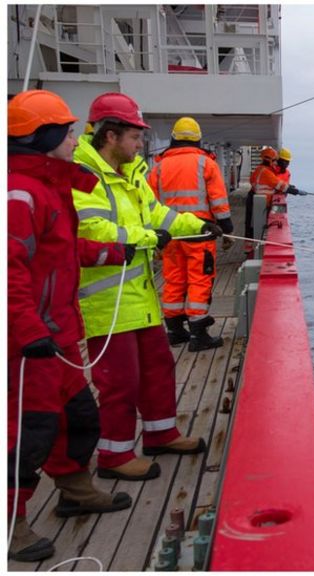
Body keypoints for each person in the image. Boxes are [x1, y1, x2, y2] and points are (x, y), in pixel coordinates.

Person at [7, 90, 133, 562]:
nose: (74, 137)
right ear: (43, 137)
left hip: (56, 333)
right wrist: (26, 330)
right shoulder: (18, 192)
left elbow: (58, 252)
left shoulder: (48, 185)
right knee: (27, 432)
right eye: (66, 130)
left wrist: (113, 252)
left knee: (78, 416)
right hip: (30, 341)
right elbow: (10, 269)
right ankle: (11, 525)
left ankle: (75, 489)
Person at [72, 92, 220, 481]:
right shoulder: (83, 175)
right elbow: (92, 230)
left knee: (156, 368)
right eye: (135, 137)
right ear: (111, 136)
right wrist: (149, 237)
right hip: (106, 300)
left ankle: (160, 433)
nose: (141, 145)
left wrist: (197, 226)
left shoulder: (132, 172)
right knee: (119, 382)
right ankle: (114, 457)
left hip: (139, 297)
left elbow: (159, 213)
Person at [148, 117, 233, 351]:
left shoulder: (158, 166)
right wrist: (226, 226)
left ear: (174, 138)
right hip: (200, 232)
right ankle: (199, 334)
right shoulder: (205, 163)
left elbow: (151, 203)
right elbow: (217, 198)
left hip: (170, 235)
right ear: (198, 139)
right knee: (199, 279)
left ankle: (175, 330)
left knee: (174, 279)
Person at [245, 146, 306, 257]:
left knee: (252, 225)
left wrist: (289, 187)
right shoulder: (267, 172)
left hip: (258, 200)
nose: (275, 163)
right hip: (261, 202)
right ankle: (251, 251)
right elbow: (278, 184)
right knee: (255, 226)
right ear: (271, 160)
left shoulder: (261, 170)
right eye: (275, 161)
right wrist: (294, 191)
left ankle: (249, 250)